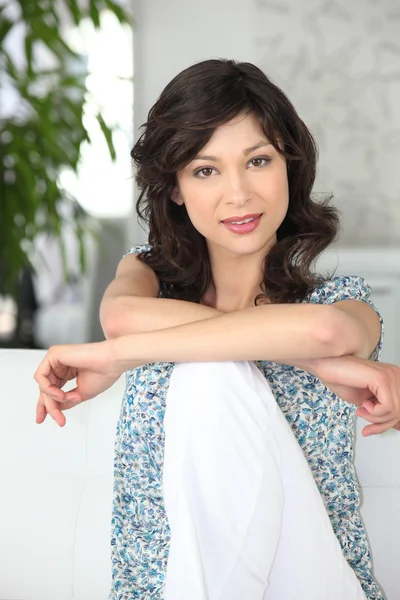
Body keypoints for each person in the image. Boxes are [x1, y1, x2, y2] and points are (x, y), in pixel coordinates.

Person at [34, 59, 400, 599]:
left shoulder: (341, 302)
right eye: (205, 170)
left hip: (312, 579)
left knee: (209, 374)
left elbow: (323, 328)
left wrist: (117, 357)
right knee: (211, 373)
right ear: (176, 187)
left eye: (258, 161)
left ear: (289, 168)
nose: (238, 194)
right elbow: (121, 317)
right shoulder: (148, 277)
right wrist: (318, 363)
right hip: (166, 583)